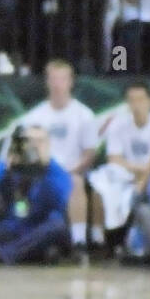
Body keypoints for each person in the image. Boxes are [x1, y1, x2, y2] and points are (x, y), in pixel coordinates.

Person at [0, 125, 71, 265]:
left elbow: (59, 202)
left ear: (47, 145)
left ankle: (0, 255)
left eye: (39, 141)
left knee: (57, 226)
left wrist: (43, 170)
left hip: (39, 228)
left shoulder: (55, 171)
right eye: (29, 140)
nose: (34, 145)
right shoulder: (8, 164)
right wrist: (5, 169)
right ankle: (35, 254)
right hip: (11, 228)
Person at [22, 60, 101, 252]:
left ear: (71, 82)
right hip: (42, 174)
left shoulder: (84, 115)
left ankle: (79, 242)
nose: (58, 84)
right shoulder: (34, 117)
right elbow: (28, 154)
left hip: (74, 173)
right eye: (54, 79)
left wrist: (69, 171)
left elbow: (90, 153)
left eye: (62, 79)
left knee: (75, 181)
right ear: (47, 82)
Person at [87, 82, 150, 243]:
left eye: (140, 99)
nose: (136, 105)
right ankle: (97, 239)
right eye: (131, 100)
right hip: (125, 174)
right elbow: (114, 158)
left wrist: (148, 170)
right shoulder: (118, 125)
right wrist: (139, 169)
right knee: (99, 183)